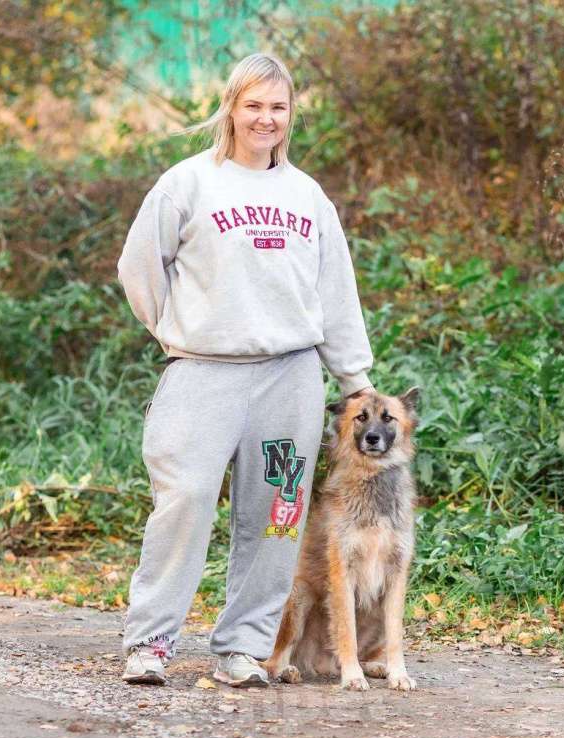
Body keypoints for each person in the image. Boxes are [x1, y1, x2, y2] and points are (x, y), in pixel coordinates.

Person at [116, 52, 374, 688]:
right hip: (204, 373)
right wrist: (173, 330)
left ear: (290, 117)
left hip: (289, 379)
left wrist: (355, 379)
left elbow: (335, 291)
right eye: (253, 105)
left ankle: (242, 646)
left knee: (278, 511)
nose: (265, 118)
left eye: (277, 107)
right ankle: (150, 640)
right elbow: (139, 267)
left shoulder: (306, 196)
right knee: (187, 496)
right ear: (230, 108)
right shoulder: (188, 184)